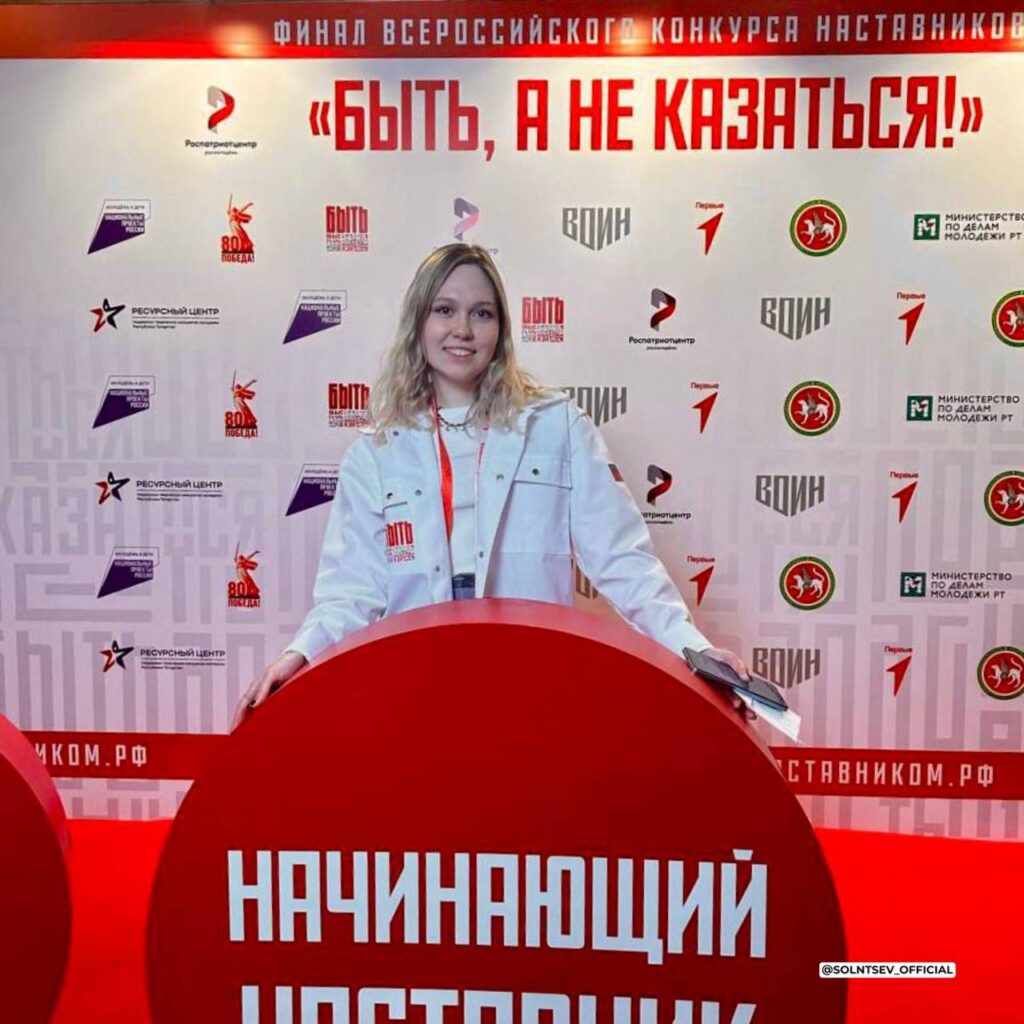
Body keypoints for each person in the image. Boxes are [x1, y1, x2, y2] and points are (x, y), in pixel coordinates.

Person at [233, 244, 748, 728]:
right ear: (419, 323)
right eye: (445, 310)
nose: (462, 329)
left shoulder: (557, 425)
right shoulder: (376, 452)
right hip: (418, 691)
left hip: (532, 687)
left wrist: (692, 648)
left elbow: (621, 559)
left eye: (482, 313)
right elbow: (352, 592)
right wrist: (299, 653)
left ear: (501, 330)